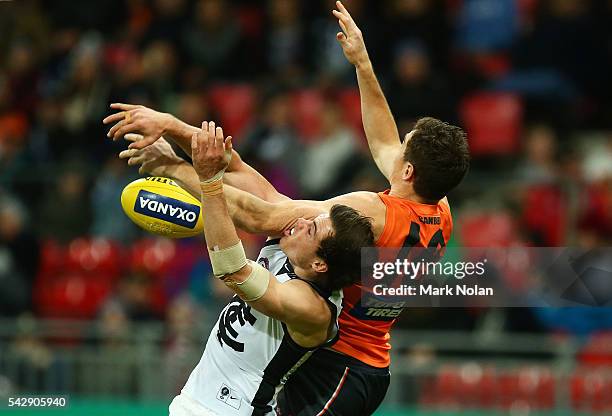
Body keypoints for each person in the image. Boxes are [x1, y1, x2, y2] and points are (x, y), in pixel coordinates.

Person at [104, 2, 470, 413]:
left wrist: (178, 168)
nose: (396, 143)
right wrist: (362, 65)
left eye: (407, 142)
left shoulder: (369, 211)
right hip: (368, 358)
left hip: (336, 363)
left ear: (408, 170)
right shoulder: (440, 208)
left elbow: (261, 214)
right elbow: (384, 145)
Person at [168, 121, 375, 415]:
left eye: (312, 229)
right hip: (196, 400)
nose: (300, 221)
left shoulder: (314, 309)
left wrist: (208, 181)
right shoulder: (290, 242)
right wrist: (166, 133)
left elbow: (232, 270)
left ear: (319, 264)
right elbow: (235, 167)